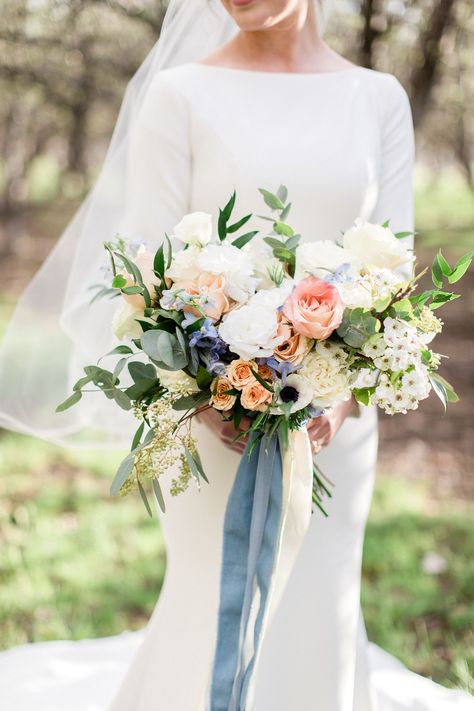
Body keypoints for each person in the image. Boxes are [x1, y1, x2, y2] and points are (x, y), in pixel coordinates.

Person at [0, 1, 472, 710]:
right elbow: (146, 271)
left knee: (318, 602)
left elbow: (393, 258)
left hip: (335, 422)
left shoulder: (378, 98)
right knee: (211, 595)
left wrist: (342, 395)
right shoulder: (180, 94)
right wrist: (210, 387)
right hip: (213, 414)